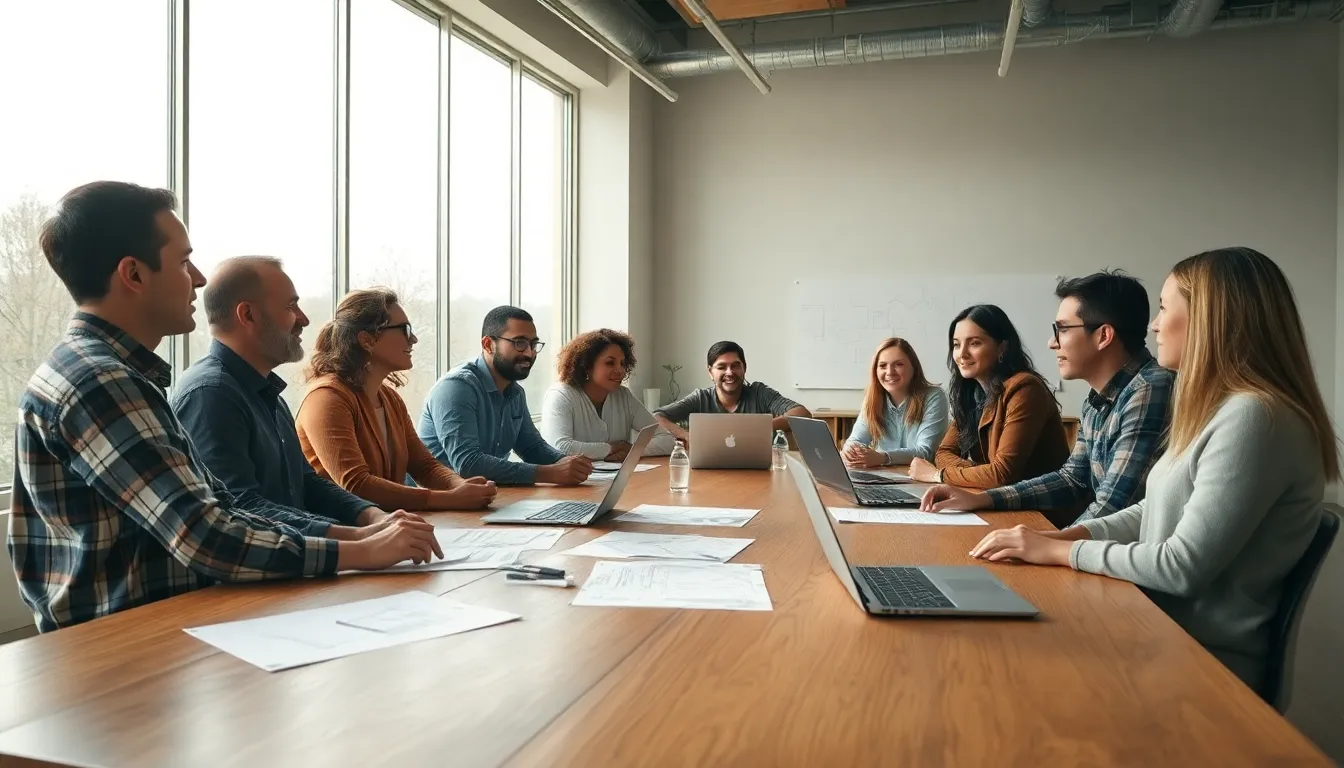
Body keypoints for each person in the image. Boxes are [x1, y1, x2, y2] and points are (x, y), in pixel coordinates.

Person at [8, 182, 440, 631]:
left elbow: (224, 502)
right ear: (133, 275)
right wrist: (361, 551)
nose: (197, 278)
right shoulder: (102, 381)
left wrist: (361, 532)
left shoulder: (117, 374)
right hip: (126, 647)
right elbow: (205, 535)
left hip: (164, 633)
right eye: (182, 262)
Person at [967, 248, 1337, 691]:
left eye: (1164, 308)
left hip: (1200, 663)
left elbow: (1181, 566)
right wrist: (1063, 539)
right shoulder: (1219, 410)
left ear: (1209, 318)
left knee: (998, 671)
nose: (1155, 325)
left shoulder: (1255, 417)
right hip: (1156, 629)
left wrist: (1061, 553)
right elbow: (1152, 509)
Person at [173, 257, 409, 539]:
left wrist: (374, 516)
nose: (304, 319)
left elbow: (306, 483)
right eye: (290, 306)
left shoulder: (266, 392)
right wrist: (358, 540)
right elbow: (239, 508)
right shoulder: (211, 394)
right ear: (247, 315)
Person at [920, 271, 1174, 527]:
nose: (1052, 342)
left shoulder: (1149, 388)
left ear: (1103, 336)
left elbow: (1113, 506)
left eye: (1062, 329)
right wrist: (984, 499)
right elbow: (1072, 479)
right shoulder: (1096, 398)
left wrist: (1049, 541)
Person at [295, 288, 498, 511]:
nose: (413, 339)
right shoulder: (327, 398)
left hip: (385, 527)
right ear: (367, 340)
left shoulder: (389, 398)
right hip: (343, 536)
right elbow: (357, 484)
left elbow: (424, 466)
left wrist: (461, 486)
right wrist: (452, 499)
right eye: (404, 329)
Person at [418, 305, 592, 486]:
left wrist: (569, 464)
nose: (530, 353)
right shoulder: (457, 387)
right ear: (488, 345)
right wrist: (548, 473)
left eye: (533, 344)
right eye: (519, 343)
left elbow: (531, 447)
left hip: (487, 497)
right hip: (439, 504)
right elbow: (468, 464)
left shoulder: (515, 392)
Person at [908, 304, 1068, 488]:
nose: (962, 354)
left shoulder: (1025, 388)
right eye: (956, 345)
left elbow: (1002, 474)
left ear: (1002, 348)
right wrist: (980, 471)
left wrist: (938, 475)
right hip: (1001, 502)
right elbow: (943, 453)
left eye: (975, 343)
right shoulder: (971, 394)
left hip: (1040, 510)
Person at [540, 329, 676, 460]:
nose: (620, 370)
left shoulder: (624, 396)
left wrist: (631, 449)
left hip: (614, 480)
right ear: (586, 365)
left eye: (623, 364)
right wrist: (610, 449)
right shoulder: (561, 395)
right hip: (570, 483)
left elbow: (667, 440)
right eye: (610, 363)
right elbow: (560, 447)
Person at [653, 341, 811, 446]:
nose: (730, 372)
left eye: (735, 366)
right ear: (710, 372)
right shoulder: (700, 398)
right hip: (710, 474)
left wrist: (761, 426)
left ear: (744, 368)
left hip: (758, 474)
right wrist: (685, 435)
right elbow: (656, 416)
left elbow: (802, 413)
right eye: (721, 367)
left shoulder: (760, 393)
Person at [840, 337, 948, 468]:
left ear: (913, 367)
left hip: (921, 480)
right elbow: (856, 440)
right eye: (882, 366)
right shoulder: (872, 399)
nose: (889, 372)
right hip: (882, 477)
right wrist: (850, 449)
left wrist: (882, 458)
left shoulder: (934, 396)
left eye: (898, 364)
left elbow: (926, 452)